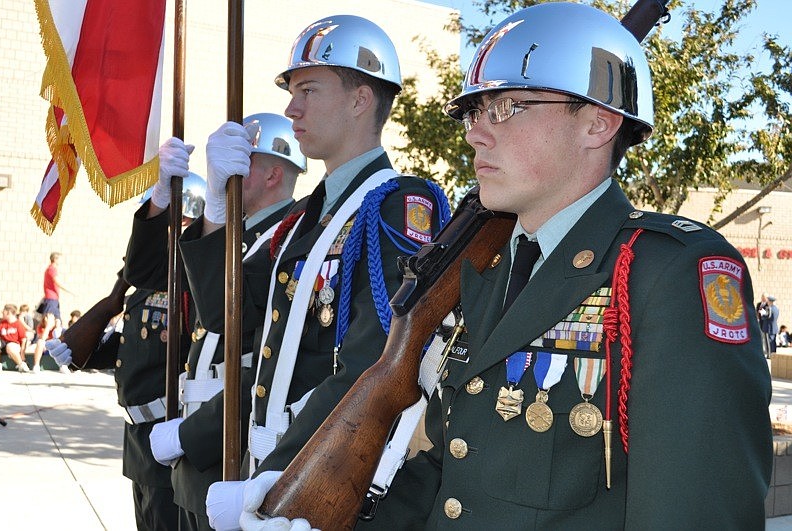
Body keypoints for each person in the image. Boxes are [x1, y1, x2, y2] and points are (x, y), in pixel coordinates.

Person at [232, 4, 773, 529]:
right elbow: (443, 480)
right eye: (476, 112)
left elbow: (694, 508)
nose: (475, 133)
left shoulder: (668, 272)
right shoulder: (486, 274)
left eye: (507, 107)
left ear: (598, 124)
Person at [192, 14, 450, 530]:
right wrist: (217, 212)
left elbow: (373, 363)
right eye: (292, 93)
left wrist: (278, 477)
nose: (291, 108)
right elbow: (226, 316)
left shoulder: (394, 207)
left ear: (360, 100)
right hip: (274, 465)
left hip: (322, 475)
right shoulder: (304, 220)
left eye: (308, 90)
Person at [129, 114, 306, 530]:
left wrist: (192, 434)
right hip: (192, 455)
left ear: (272, 175)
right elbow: (145, 273)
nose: (225, 173)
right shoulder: (228, 232)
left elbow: (261, 362)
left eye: (241, 162)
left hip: (230, 448)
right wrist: (159, 200)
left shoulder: (292, 236)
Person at [46, 144, 207, 530]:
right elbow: (132, 347)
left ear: (188, 222)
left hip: (170, 434)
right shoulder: (140, 288)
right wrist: (87, 348)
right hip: (137, 440)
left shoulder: (194, 282)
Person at [0, 304, 30, 373]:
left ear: (8, 312)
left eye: (3, 311)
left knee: (10, 346)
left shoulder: (18, 324)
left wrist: (22, 353)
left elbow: (24, 340)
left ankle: (21, 364)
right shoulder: (2, 323)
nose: (2, 313)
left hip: (14, 346)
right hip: (3, 345)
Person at [39, 251, 72, 321]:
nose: (61, 261)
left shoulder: (50, 269)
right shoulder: (52, 269)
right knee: (48, 319)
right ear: (55, 259)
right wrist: (71, 291)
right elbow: (58, 283)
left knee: (57, 321)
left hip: (53, 298)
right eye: (59, 259)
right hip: (51, 299)